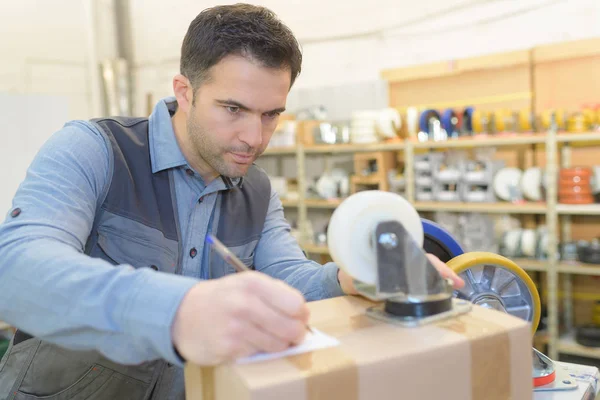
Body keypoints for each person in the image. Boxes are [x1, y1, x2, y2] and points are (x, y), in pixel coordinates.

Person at [0, 4, 464, 399]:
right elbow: (16, 268)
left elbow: (287, 276)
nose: (254, 138)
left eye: (271, 115)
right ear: (185, 91)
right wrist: (177, 311)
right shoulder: (95, 150)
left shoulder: (257, 190)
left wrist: (351, 276)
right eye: (234, 109)